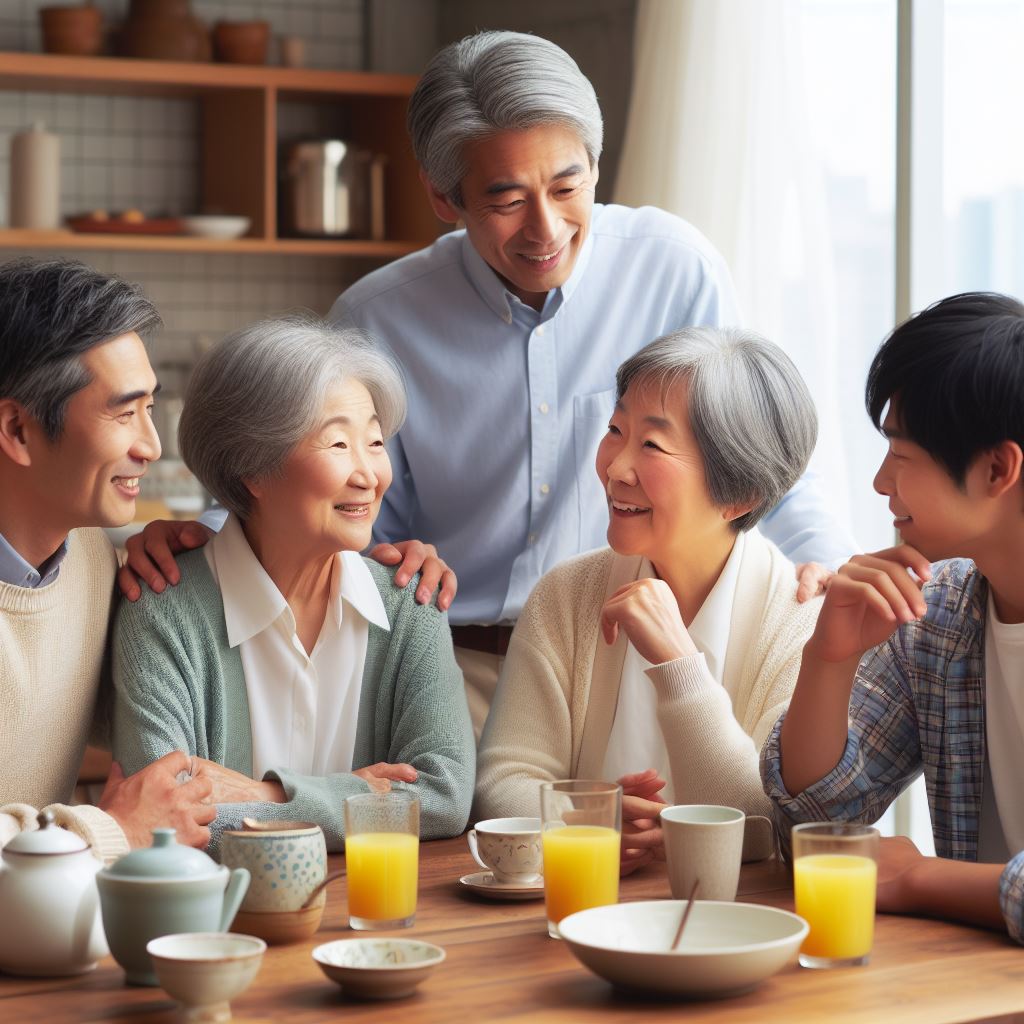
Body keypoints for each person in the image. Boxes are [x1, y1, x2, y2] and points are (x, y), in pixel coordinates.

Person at [121, 30, 856, 733]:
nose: (546, 228)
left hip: (624, 655)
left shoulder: (674, 267)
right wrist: (202, 543)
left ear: (596, 165)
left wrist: (827, 566)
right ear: (445, 197)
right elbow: (337, 502)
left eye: (569, 187)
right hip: (450, 668)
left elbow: (756, 456)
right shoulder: (380, 317)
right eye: (506, 201)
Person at [112, 316, 475, 853]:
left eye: (374, 442)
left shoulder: (410, 603)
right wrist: (361, 801)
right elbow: (163, 819)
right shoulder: (164, 611)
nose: (369, 475)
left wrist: (273, 794)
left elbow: (444, 797)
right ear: (252, 470)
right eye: (337, 444)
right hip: (219, 929)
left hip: (374, 920)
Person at [477, 327, 823, 871]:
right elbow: (503, 783)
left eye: (652, 445)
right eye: (616, 430)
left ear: (739, 494)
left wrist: (678, 665)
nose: (615, 468)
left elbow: (766, 828)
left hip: (734, 928)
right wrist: (590, 821)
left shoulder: (802, 622)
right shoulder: (566, 595)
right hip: (579, 914)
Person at [761, 292, 1024, 943]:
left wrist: (921, 878)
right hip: (974, 988)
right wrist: (830, 658)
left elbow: (880, 871)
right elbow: (817, 824)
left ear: (998, 468)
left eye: (902, 457)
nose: (881, 483)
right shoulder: (938, 616)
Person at [0, 257, 214, 860]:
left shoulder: (90, 557)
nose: (150, 445)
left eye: (150, 408)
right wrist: (107, 830)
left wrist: (357, 567)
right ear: (17, 429)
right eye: (124, 412)